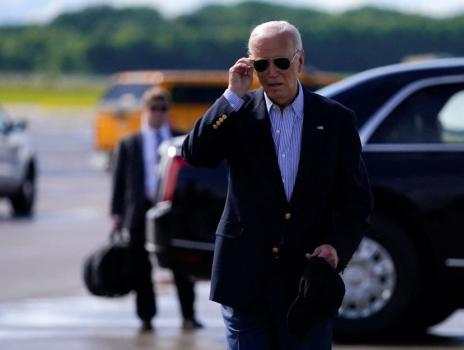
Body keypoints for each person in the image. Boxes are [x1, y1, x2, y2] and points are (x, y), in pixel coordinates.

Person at [182, 21, 372, 349]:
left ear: (299, 60)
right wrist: (231, 96)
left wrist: (337, 247)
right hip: (244, 280)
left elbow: (356, 201)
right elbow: (196, 154)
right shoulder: (237, 114)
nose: (272, 73)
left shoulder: (336, 119)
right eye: (261, 64)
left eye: (281, 62)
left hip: (307, 285)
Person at [111, 86, 202, 332]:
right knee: (140, 266)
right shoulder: (130, 143)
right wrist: (116, 216)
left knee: (181, 265)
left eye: (163, 109)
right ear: (145, 110)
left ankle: (189, 315)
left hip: (171, 210)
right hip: (140, 210)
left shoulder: (180, 138)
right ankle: (146, 316)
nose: (158, 114)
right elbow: (119, 183)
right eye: (154, 108)